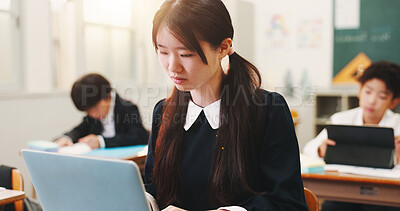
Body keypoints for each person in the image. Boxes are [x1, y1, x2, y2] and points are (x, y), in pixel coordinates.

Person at [144, 0, 308, 210]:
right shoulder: (164, 112)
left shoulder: (267, 111)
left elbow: (288, 204)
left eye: (186, 54)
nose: (172, 66)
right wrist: (144, 201)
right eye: (163, 52)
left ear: (223, 48)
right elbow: (154, 188)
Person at [303, 61, 400, 211]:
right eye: (368, 92)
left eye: (382, 96)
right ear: (359, 91)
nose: (372, 101)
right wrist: (321, 150)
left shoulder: (397, 124)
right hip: (345, 191)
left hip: (385, 196)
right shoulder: (341, 119)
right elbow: (309, 148)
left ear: (393, 102)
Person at [54, 73, 149, 149]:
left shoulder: (127, 108)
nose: (92, 114)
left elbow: (140, 137)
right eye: (88, 111)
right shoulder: (93, 116)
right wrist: (66, 138)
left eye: (95, 108)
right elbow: (78, 131)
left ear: (107, 96)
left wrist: (101, 141)